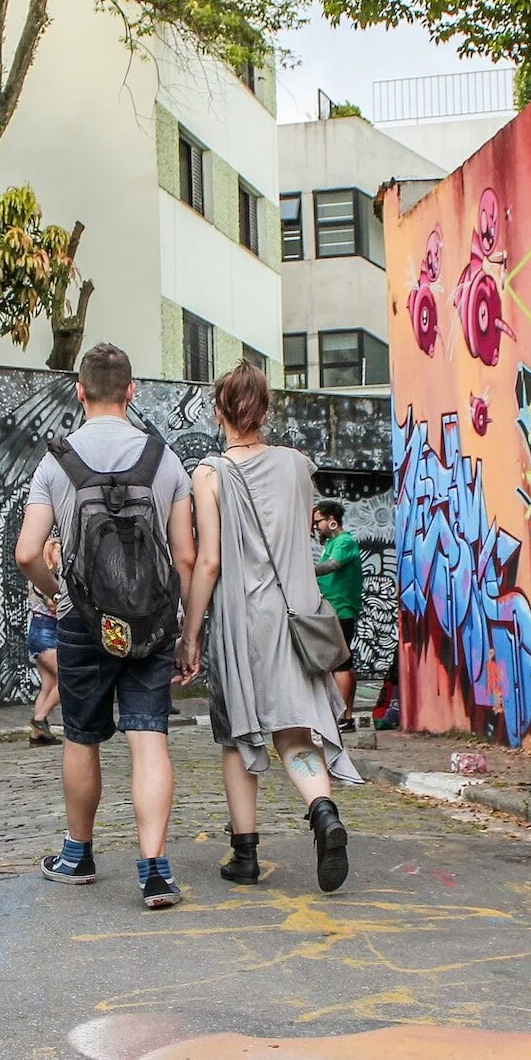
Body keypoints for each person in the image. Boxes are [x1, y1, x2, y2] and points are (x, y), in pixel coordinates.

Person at [15, 344, 196, 910]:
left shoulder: (56, 462)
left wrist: (60, 597)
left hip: (84, 623)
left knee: (82, 736)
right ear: (132, 390)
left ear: (80, 390)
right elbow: (186, 557)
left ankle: (78, 855)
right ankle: (156, 871)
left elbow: (26, 553)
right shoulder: (164, 459)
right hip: (151, 622)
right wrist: (188, 630)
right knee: (149, 740)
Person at [180, 362, 359, 891]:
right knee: (296, 731)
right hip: (296, 614)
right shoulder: (299, 465)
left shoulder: (208, 474)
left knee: (240, 735)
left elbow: (209, 562)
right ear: (266, 410)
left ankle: (245, 855)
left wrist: (190, 633)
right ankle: (322, 810)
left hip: (244, 619)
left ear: (219, 413)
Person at [313, 500, 364, 724]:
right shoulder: (333, 542)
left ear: (332, 520)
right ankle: (345, 715)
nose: (316, 527)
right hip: (333, 609)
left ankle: (343, 717)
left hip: (341, 610)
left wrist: (301, 568)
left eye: (318, 522)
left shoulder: (344, 541)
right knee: (341, 662)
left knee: (341, 664)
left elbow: (332, 566)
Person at [26, 536, 64, 745]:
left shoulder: (47, 576)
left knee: (49, 684)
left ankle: (37, 736)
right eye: (58, 551)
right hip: (45, 633)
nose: (61, 555)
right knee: (69, 678)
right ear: (49, 553)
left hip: (41, 632)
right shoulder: (44, 578)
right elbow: (53, 605)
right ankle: (39, 720)